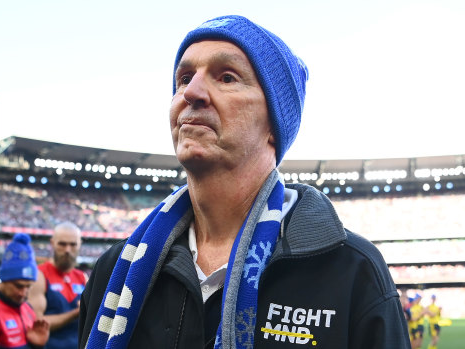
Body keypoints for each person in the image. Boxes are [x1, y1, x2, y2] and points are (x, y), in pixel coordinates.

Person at [78, 15, 410, 349]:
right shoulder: (116, 270)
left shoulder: (349, 271)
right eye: (184, 77)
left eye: (226, 77)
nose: (191, 92)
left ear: (274, 125)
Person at [29, 222, 88, 349]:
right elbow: (35, 324)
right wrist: (76, 313)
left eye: (73, 244)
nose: (67, 250)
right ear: (52, 243)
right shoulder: (39, 275)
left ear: (80, 245)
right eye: (62, 244)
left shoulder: (82, 277)